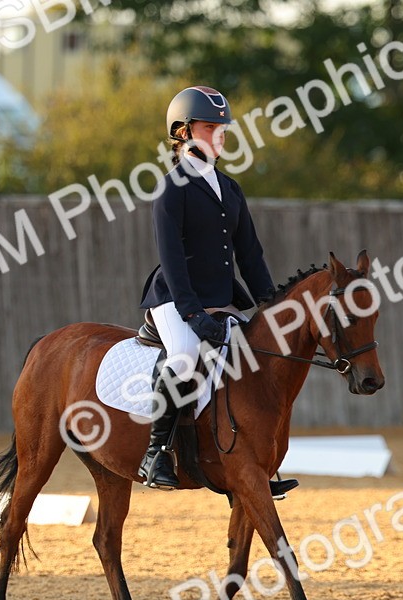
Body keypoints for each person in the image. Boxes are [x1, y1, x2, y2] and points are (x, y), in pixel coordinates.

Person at [137, 85, 277, 489]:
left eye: (223, 128)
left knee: (255, 361)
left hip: (221, 300)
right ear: (183, 131)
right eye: (210, 127)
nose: (220, 135)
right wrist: (193, 313)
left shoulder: (230, 189)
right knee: (183, 356)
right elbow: (173, 258)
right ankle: (155, 453)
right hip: (175, 297)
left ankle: (260, 461)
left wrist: (271, 303)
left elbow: (250, 254)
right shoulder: (171, 188)